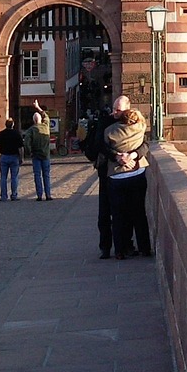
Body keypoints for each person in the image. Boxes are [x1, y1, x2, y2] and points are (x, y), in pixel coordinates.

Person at [104, 95, 152, 259]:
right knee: (139, 213)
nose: (114, 112)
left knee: (118, 216)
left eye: (117, 110)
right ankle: (144, 248)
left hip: (117, 176)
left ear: (126, 110)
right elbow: (145, 144)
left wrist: (118, 157)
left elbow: (104, 147)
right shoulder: (140, 127)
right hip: (137, 173)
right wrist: (132, 156)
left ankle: (120, 250)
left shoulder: (109, 130)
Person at [85, 104, 116, 257]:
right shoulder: (121, 123)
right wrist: (116, 156)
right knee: (120, 210)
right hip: (116, 171)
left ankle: (105, 247)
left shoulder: (101, 124)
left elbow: (96, 146)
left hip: (103, 171)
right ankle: (123, 245)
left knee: (104, 211)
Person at [0, 117, 24, 201]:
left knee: (3, 177)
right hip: (14, 157)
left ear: (5, 125)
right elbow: (20, 148)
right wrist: (21, 158)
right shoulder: (17, 134)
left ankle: (3, 196)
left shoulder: (0, 134)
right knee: (14, 177)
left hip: (4, 157)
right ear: (13, 125)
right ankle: (14, 195)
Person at [27, 102, 53, 201]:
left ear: (34, 120)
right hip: (46, 155)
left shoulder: (31, 130)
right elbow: (46, 116)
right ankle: (48, 195)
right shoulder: (46, 126)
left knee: (37, 175)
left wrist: (30, 152)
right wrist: (38, 107)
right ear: (41, 120)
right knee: (46, 175)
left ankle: (39, 195)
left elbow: (26, 143)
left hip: (36, 155)